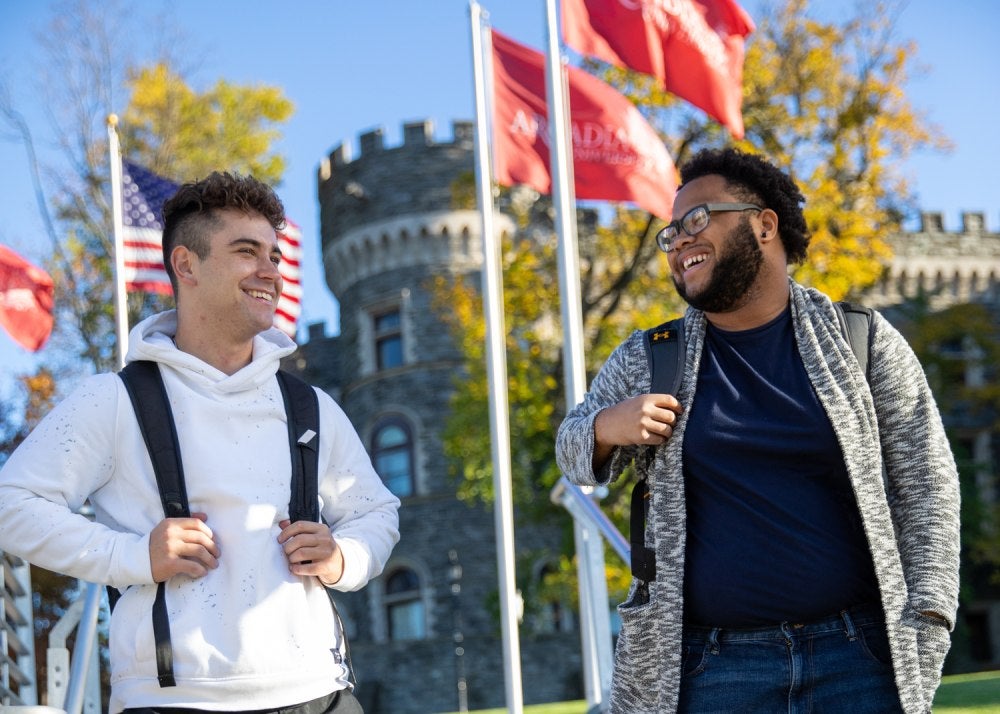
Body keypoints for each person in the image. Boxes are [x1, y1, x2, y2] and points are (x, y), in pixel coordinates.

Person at [556, 148, 959, 714]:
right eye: (669, 234)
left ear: (764, 224)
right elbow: (571, 454)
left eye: (697, 219)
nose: (677, 242)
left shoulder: (861, 342)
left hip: (860, 662)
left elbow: (929, 490)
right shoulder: (650, 358)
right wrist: (606, 426)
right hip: (710, 671)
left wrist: (928, 623)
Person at [0, 171, 400, 713]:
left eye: (275, 257)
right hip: (172, 702)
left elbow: (376, 512)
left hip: (320, 696)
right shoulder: (114, 401)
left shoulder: (308, 406)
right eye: (246, 252)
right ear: (186, 265)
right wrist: (134, 554)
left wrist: (342, 557)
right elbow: (12, 506)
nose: (270, 272)